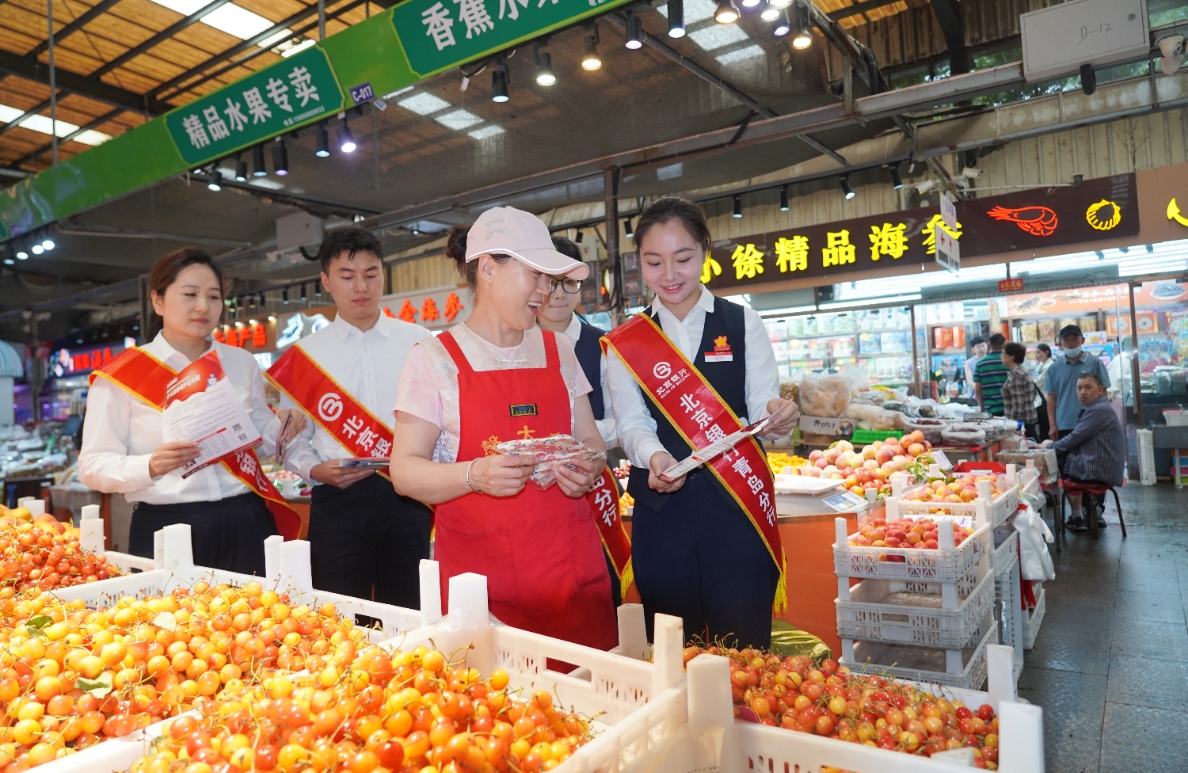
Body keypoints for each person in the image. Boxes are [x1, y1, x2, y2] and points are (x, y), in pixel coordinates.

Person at [389, 206, 617, 651]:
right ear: (489, 268)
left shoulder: (560, 350)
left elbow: (591, 440)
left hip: (571, 575)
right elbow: (405, 472)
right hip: (484, 588)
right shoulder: (433, 359)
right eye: (534, 275)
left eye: (550, 279)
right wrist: (474, 475)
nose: (545, 291)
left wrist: (588, 466)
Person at [603, 196, 799, 649]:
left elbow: (762, 406)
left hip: (736, 509)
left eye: (683, 258)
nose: (669, 275)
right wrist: (654, 457)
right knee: (674, 650)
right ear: (640, 265)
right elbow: (631, 422)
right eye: (654, 262)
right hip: (662, 514)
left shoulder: (742, 322)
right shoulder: (626, 342)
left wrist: (779, 416)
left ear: (705, 252)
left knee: (744, 649)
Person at [79, 248, 306, 575]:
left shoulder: (240, 363)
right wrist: (150, 465)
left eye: (214, 296)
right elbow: (92, 464)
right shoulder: (119, 377)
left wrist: (282, 427)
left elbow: (260, 439)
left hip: (246, 518)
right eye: (190, 294)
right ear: (158, 301)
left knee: (257, 621)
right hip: (167, 525)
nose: (203, 306)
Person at [266, 227, 433, 609]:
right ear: (326, 280)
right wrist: (314, 470)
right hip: (338, 500)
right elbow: (290, 437)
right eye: (346, 276)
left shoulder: (420, 341)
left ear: (383, 275)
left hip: (408, 495)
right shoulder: (305, 355)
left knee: (408, 607)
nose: (361, 286)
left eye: (371, 274)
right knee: (339, 610)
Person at [536, 236, 631, 609]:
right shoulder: (515, 346)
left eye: (569, 283)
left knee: (600, 589)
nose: (559, 294)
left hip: (592, 487)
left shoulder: (606, 345)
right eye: (549, 281)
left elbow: (624, 420)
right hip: (535, 498)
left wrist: (573, 440)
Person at [1043, 373, 1125, 532]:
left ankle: (1075, 515)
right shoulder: (1096, 408)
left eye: (1088, 387)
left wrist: (1047, 446)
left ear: (1100, 390)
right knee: (1060, 453)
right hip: (1102, 465)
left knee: (1058, 456)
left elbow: (1075, 438)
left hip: (1101, 469)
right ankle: (1077, 513)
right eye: (1079, 388)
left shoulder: (1099, 410)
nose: (1082, 392)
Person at [1045, 325, 1110, 442]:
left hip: (1092, 422)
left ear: (1082, 340)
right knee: (1068, 459)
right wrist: (1052, 425)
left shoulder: (1094, 363)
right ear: (1061, 342)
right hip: (1064, 423)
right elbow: (1051, 397)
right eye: (1066, 340)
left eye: (1074, 339)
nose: (1071, 343)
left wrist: (1105, 419)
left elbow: (1103, 393)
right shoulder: (1054, 368)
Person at [1000, 342, 1038, 439]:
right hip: (1028, 418)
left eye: (1004, 354)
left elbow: (1018, 402)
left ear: (1012, 356)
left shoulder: (1016, 374)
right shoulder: (1022, 371)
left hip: (1021, 422)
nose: (1001, 356)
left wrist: (1012, 423)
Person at [974, 333, 1010, 416]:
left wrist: (982, 408)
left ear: (989, 345)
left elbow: (978, 390)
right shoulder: (1010, 361)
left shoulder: (980, 363)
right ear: (1005, 345)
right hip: (1009, 407)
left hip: (990, 409)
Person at [1032, 343, 1053, 440]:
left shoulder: (1049, 366)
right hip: (1039, 400)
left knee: (1045, 428)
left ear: (1046, 352)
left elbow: (1036, 382)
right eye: (1035, 353)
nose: (1036, 355)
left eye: (1038, 352)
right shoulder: (1041, 365)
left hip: (1045, 400)